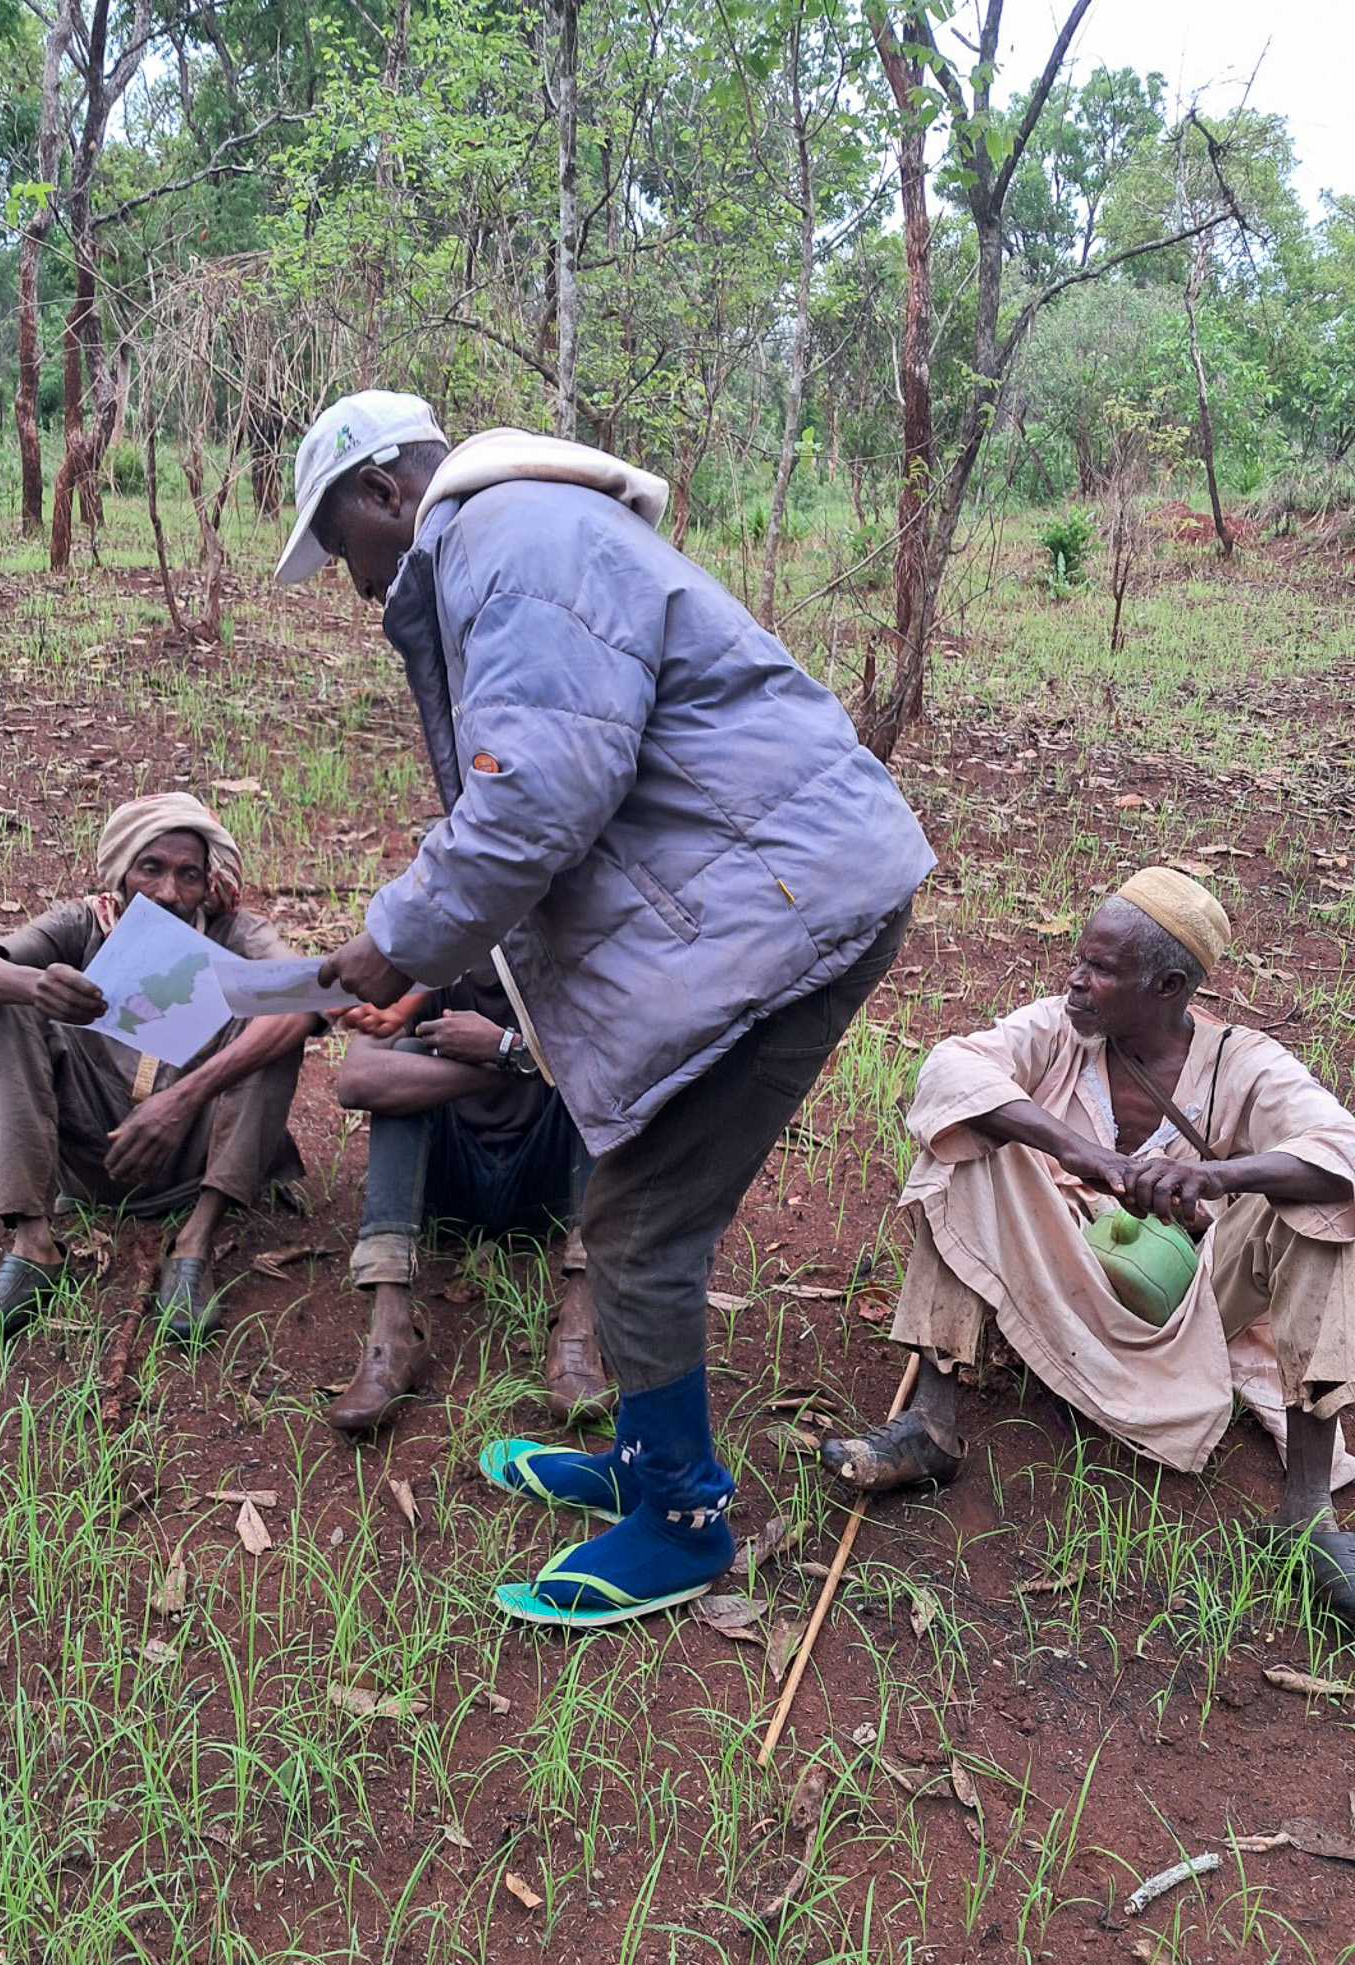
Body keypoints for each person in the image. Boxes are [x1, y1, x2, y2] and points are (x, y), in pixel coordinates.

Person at [276, 389, 934, 1627]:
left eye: (342, 547)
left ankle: (681, 1523)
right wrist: (431, 959)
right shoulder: (520, 536)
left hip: (793, 906)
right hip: (763, 897)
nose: (355, 586)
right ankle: (642, 1462)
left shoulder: (512, 542)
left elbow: (537, 798)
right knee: (636, 1187)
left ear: (381, 495)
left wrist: (389, 938)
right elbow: (561, 797)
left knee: (641, 1228)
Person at [823, 867, 1355, 1622]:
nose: (1075, 981)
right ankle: (930, 1425)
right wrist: (1083, 1154)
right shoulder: (1060, 1030)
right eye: (1080, 959)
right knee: (965, 1136)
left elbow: (1343, 1149)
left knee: (1326, 1205)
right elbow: (951, 1069)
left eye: (1103, 969)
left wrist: (1212, 1176)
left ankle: (1307, 1511)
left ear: (1168, 986)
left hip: (1198, 1298)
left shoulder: (1242, 1063)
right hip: (1059, 1267)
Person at [0, 792, 317, 1345]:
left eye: (189, 875)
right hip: (96, 1148)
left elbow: (305, 999)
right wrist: (36, 985)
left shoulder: (234, 933)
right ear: (121, 871)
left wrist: (183, 1099)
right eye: (152, 869)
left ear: (207, 883)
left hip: (193, 1155)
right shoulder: (81, 924)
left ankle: (193, 1243)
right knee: (9, 1006)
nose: (169, 892)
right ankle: (33, 1245)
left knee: (276, 1016)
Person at [327, 961, 602, 1431]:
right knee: (404, 1059)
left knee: (596, 1070)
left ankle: (581, 1322)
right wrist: (509, 1068)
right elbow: (355, 1081)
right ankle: (391, 1329)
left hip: (542, 1180)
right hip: (451, 1179)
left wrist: (504, 1049)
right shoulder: (421, 967)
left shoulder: (564, 962)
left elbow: (622, 1059)